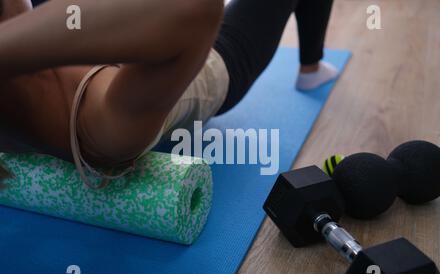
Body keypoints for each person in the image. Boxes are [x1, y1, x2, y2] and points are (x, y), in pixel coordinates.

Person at [0, 0, 336, 188]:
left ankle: (311, 66)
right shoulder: (94, 118)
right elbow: (194, 10)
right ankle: (311, 68)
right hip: (209, 66)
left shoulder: (37, 84)